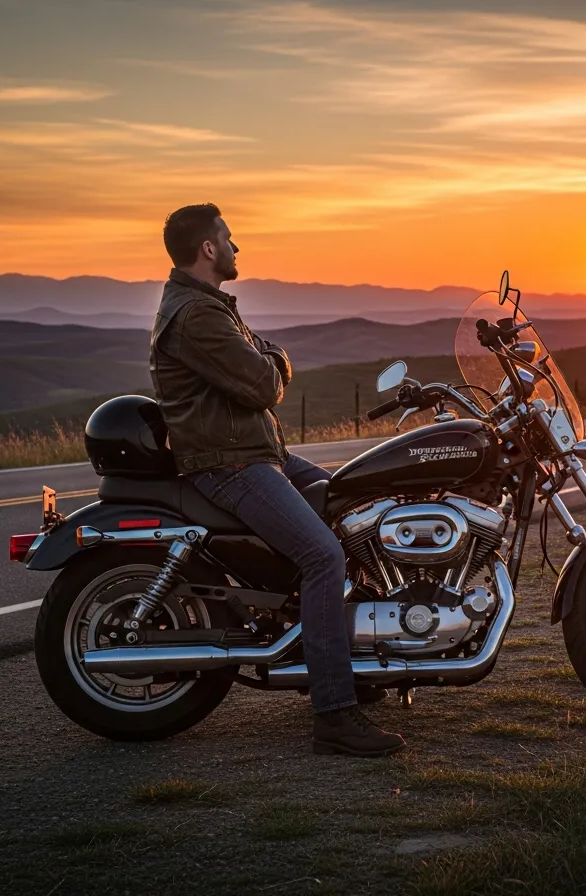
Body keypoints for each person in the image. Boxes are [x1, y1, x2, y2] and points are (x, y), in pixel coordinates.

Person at [149, 203, 406, 757]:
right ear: (209, 249)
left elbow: (263, 368)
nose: (238, 247)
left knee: (356, 512)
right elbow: (266, 382)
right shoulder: (197, 316)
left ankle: (348, 664)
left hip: (258, 454)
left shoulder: (209, 306)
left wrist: (268, 360)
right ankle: (334, 714)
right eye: (230, 238)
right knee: (323, 557)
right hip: (230, 465)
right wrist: (272, 361)